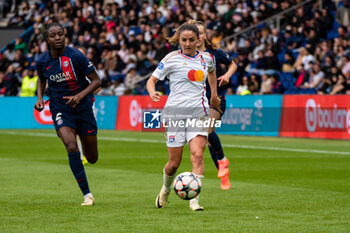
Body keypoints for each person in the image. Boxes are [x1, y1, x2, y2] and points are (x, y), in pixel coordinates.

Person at [146, 21, 221, 211]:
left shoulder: (207, 58)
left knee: (197, 155)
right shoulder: (171, 58)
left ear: (198, 40)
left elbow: (212, 73)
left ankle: (194, 200)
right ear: (179, 40)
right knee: (174, 163)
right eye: (184, 40)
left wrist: (213, 94)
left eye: (191, 40)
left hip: (199, 112)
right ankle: (165, 189)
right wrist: (152, 92)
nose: (187, 44)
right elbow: (152, 80)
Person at [34, 23, 101, 206]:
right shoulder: (42, 61)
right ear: (47, 40)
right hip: (60, 109)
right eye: (53, 35)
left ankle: (83, 137)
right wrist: (40, 98)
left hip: (83, 108)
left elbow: (96, 81)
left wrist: (79, 96)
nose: (57, 38)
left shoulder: (76, 56)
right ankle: (87, 195)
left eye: (60, 34)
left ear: (65, 36)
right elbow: (41, 79)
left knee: (93, 158)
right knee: (71, 146)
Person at [194, 20, 237, 190]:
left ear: (204, 36)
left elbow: (233, 64)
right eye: (194, 33)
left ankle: (222, 162)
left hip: (215, 100)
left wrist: (227, 75)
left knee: (207, 129)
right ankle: (223, 171)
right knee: (207, 141)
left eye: (200, 33)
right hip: (197, 103)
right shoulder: (187, 56)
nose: (198, 37)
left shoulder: (214, 53)